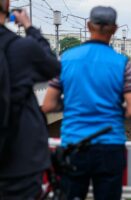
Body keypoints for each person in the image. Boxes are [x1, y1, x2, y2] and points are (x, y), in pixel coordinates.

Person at [42, 6, 131, 200]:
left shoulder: (66, 59)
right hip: (110, 147)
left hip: (74, 145)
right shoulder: (122, 63)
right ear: (114, 29)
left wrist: (72, 104)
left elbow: (48, 105)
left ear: (88, 25)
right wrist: (113, 108)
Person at [0, 1, 61, 199]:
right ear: (7, 6)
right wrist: (29, 27)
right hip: (19, 160)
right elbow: (52, 66)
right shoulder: (23, 48)